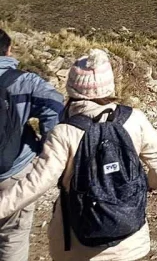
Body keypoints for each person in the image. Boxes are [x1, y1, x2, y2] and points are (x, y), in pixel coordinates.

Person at [0, 49, 157, 261]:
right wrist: (155, 183)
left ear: (72, 88)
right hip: (130, 239)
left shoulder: (63, 133)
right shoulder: (135, 119)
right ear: (109, 84)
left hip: (78, 244)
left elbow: (35, 183)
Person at [0, 28, 64, 261]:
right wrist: (49, 147)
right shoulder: (23, 81)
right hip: (13, 170)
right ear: (8, 49)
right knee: (12, 237)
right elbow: (54, 105)